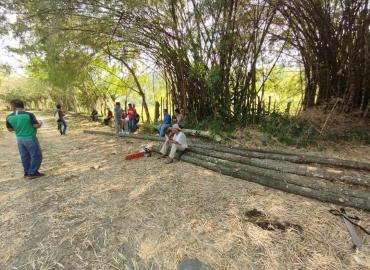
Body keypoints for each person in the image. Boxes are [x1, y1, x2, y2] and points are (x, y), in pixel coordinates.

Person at [6, 99, 45, 179]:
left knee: (25, 156)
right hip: (30, 138)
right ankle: (32, 173)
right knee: (36, 155)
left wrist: (18, 127)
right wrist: (40, 123)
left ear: (13, 107)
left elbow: (10, 129)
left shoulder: (9, 117)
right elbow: (35, 126)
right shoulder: (28, 115)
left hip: (19, 139)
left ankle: (27, 172)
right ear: (22, 106)